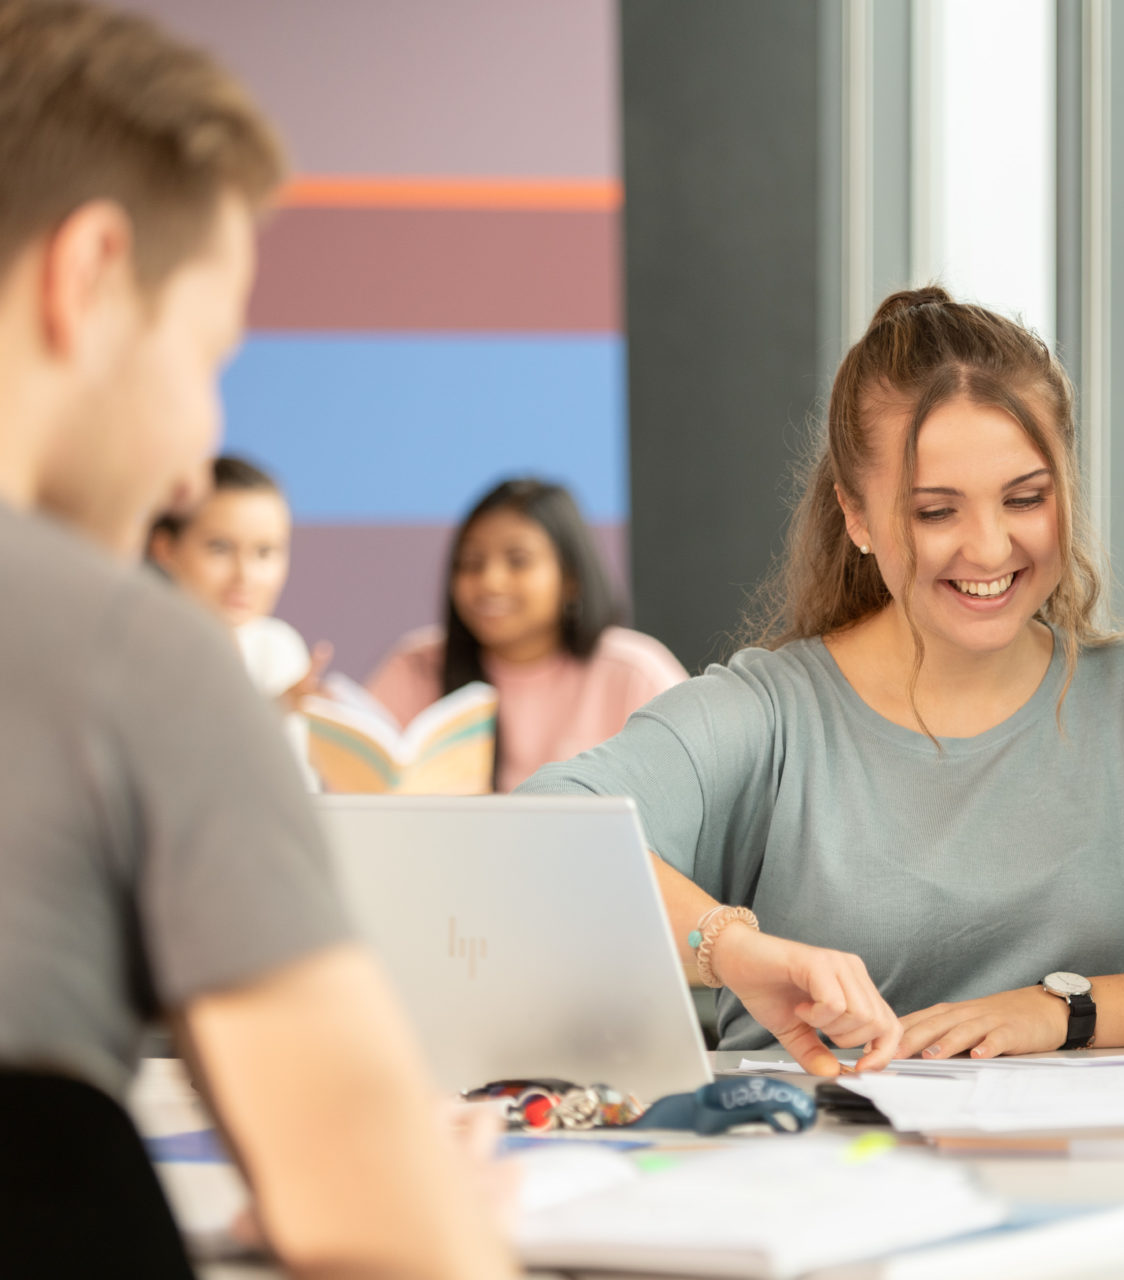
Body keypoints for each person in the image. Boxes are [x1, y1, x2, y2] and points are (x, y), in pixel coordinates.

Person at [0, 2, 514, 1273]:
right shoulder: (133, 651)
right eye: (206, 352)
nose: (192, 455)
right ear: (89, 275)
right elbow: (394, 1236)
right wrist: (414, 1195)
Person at [524, 286, 1124, 1075]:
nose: (987, 549)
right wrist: (729, 948)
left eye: (1025, 498)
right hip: (814, 1181)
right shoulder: (771, 714)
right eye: (935, 511)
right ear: (858, 516)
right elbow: (543, 828)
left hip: (1076, 1183)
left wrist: (1059, 1012)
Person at [366, 477, 689, 792]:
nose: (490, 582)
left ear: (571, 578)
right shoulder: (416, 667)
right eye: (471, 563)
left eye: (517, 561)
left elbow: (694, 803)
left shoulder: (634, 674)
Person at [149, 455, 326, 781]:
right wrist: (270, 713)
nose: (244, 576)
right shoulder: (136, 652)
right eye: (219, 548)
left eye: (265, 552)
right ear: (165, 548)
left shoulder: (279, 647)